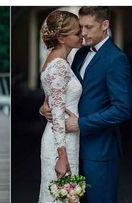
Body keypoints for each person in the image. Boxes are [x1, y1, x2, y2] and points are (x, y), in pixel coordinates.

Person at [40, 7, 131, 203]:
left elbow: (123, 109)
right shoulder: (79, 54)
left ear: (105, 25)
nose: (83, 33)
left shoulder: (117, 59)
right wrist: (44, 105)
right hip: (74, 147)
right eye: (80, 27)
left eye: (88, 27)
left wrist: (82, 124)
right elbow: (63, 89)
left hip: (100, 151)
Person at [38, 10, 83, 203]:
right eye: (77, 33)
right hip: (61, 142)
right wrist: (62, 157)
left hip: (66, 137)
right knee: (60, 197)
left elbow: (50, 102)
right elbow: (56, 113)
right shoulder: (58, 65)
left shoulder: (56, 59)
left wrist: (42, 107)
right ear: (62, 38)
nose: (82, 35)